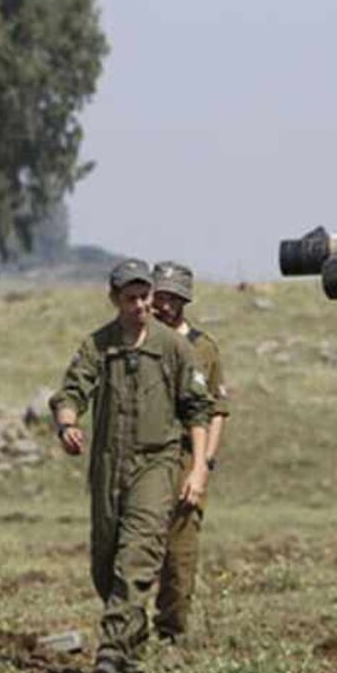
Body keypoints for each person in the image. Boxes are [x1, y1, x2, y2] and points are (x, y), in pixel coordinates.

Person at [49, 259, 214, 673]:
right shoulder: (98, 346)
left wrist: (197, 468)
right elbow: (69, 393)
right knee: (105, 566)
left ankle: (108, 653)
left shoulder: (175, 349)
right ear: (115, 300)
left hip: (155, 465)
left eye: (145, 297)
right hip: (107, 466)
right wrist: (67, 425)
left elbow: (199, 410)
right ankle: (132, 665)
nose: (141, 305)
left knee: (136, 559)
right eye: (131, 298)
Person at [149, 261, 231, 642]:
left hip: (185, 455)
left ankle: (171, 631)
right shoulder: (140, 339)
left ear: (183, 301)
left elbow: (217, 412)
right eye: (157, 297)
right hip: (144, 454)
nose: (161, 306)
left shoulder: (202, 348)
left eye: (170, 299)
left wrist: (203, 467)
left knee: (179, 551)